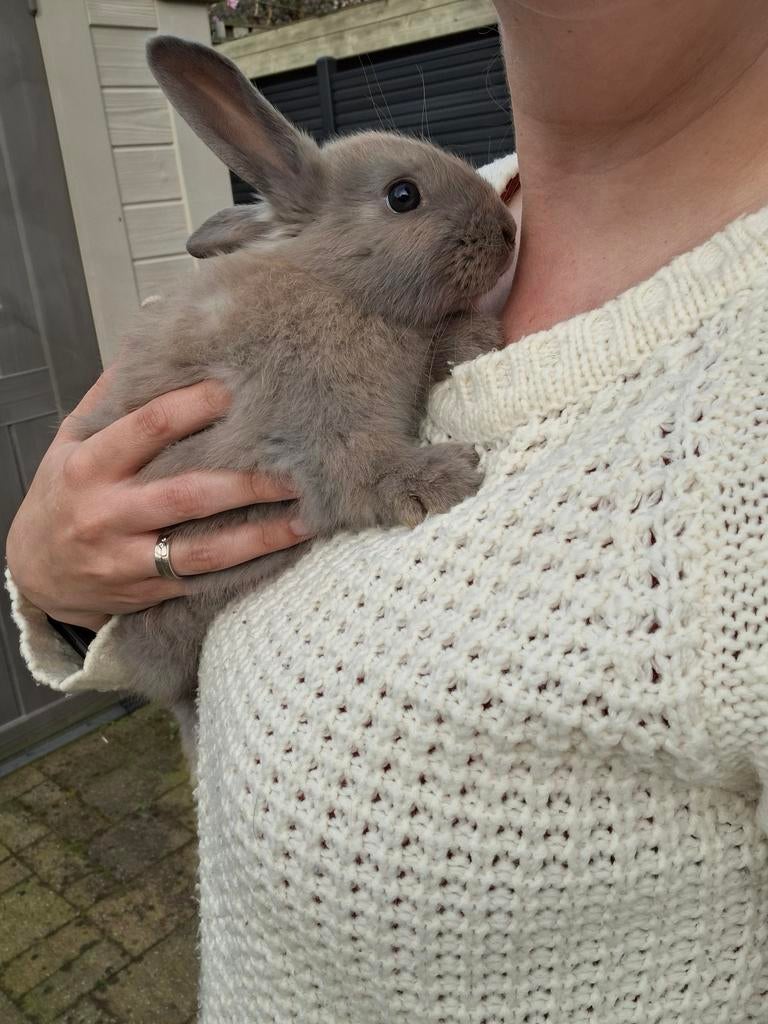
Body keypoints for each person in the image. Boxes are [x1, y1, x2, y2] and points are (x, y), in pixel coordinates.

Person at [7, 1, 768, 1020]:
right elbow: (279, 472)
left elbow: (350, 464)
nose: (483, 231)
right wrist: (55, 582)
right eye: (409, 198)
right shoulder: (461, 213)